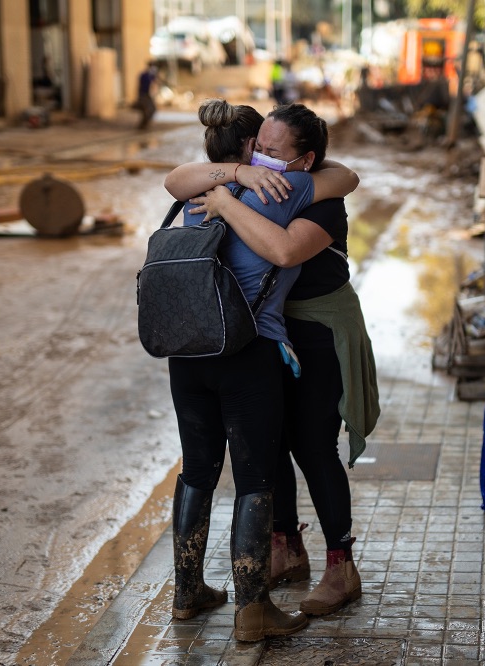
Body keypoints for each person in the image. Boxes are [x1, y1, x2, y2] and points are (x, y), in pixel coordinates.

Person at [162, 99, 359, 641]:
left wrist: (225, 191)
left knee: (199, 470)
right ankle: (253, 609)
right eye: (261, 149)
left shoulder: (202, 192)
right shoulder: (279, 189)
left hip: (188, 349)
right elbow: (346, 178)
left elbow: (343, 180)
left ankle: (187, 593)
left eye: (275, 152)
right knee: (254, 476)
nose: (265, 158)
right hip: (246, 353)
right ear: (248, 149)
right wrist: (237, 183)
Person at [137, 62, 158, 130]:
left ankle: (144, 125)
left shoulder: (152, 75)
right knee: (147, 110)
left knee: (152, 110)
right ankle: (142, 125)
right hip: (144, 95)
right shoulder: (144, 75)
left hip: (149, 96)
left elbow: (155, 83)